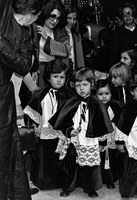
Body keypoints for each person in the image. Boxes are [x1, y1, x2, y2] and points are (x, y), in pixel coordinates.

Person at [0, 0, 44, 199]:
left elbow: (24, 66)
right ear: (33, 11)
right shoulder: (2, 21)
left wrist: (1, 46)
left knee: (3, 148)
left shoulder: (25, 35)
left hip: (2, 96)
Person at [49, 68, 113, 198]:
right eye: (78, 85)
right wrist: (69, 131)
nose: (81, 89)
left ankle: (89, 187)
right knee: (70, 164)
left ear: (92, 85)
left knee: (88, 167)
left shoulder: (97, 104)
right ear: (73, 86)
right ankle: (67, 187)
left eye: (85, 85)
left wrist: (103, 142)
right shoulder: (70, 102)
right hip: (74, 139)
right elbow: (63, 121)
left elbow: (102, 125)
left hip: (89, 139)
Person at [23, 59, 69, 190]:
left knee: (60, 158)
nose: (59, 80)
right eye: (55, 77)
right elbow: (32, 111)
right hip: (45, 132)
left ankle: (60, 182)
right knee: (45, 158)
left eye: (62, 77)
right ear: (49, 78)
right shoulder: (41, 93)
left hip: (61, 134)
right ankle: (44, 182)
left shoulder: (68, 95)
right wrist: (35, 125)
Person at [96, 79, 123, 189]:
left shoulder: (116, 105)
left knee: (112, 157)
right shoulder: (94, 105)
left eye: (107, 94)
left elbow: (120, 120)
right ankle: (100, 178)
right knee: (100, 157)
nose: (104, 97)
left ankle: (110, 179)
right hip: (99, 135)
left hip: (112, 135)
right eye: (100, 94)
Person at [36, 0, 70, 88]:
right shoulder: (33, 28)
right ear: (45, 14)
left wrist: (47, 38)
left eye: (58, 18)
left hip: (54, 72)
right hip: (36, 71)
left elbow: (65, 50)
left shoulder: (60, 32)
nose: (55, 21)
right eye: (52, 16)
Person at [109, 2, 137, 66]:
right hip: (124, 67)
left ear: (134, 15)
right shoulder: (117, 33)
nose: (127, 16)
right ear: (122, 17)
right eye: (124, 14)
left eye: (129, 13)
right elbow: (113, 56)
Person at [64, 5, 85, 70]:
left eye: (74, 19)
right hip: (62, 70)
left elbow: (79, 56)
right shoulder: (58, 33)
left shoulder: (76, 33)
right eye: (69, 18)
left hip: (74, 68)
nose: (72, 22)